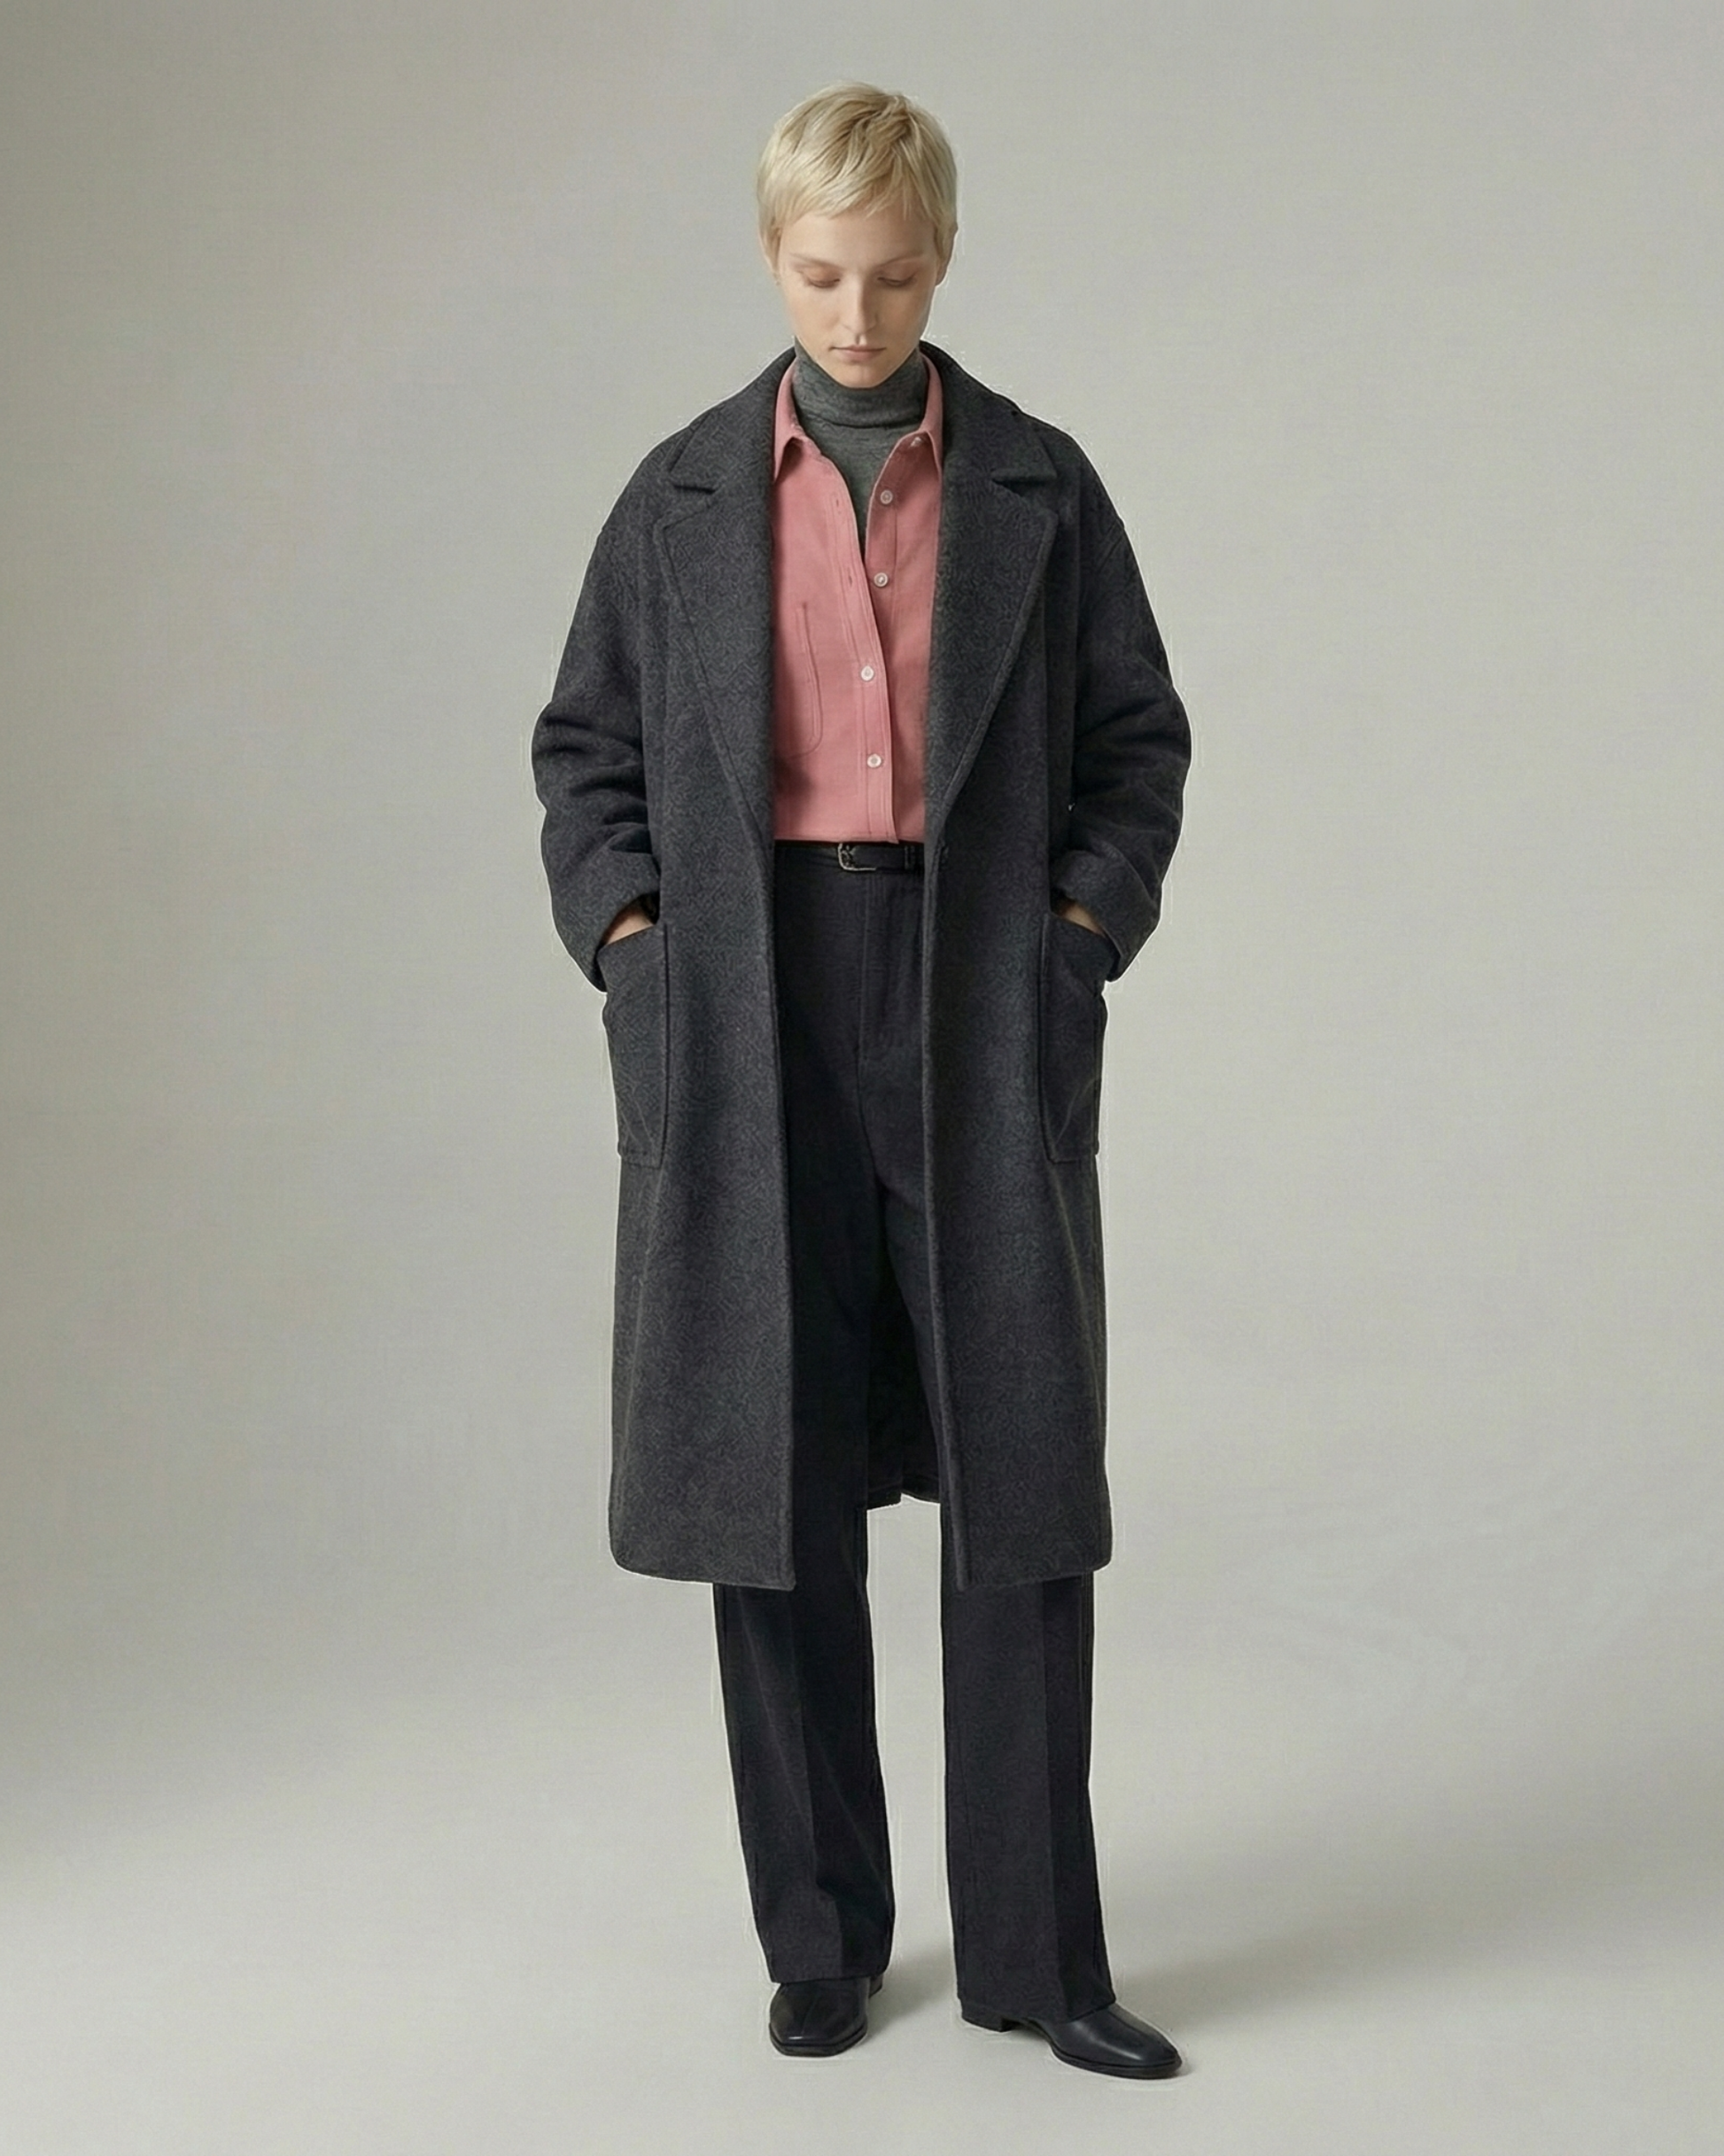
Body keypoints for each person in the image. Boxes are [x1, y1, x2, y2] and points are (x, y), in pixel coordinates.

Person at [532, 83, 1191, 2078]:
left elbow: (1136, 742)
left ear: (943, 258)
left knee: (1019, 1484)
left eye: (894, 275)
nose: (856, 313)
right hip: (746, 1000)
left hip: (976, 984)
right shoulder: (676, 497)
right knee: (771, 1475)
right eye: (821, 274)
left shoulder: (1038, 488)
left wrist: (1073, 935)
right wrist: (632, 946)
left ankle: (1040, 1963)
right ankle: (819, 1937)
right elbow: (585, 754)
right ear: (771, 258)